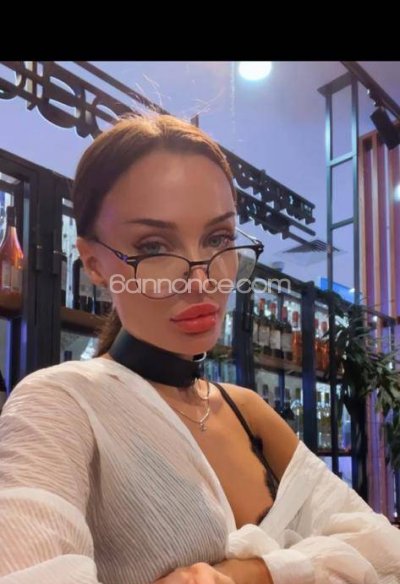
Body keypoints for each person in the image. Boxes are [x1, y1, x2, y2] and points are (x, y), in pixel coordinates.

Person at [0, 114, 399, 584]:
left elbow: (385, 549)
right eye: (154, 246)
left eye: (218, 239)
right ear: (93, 263)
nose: (201, 279)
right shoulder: (61, 402)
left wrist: (255, 572)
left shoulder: (244, 409)